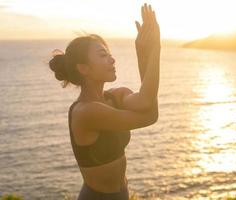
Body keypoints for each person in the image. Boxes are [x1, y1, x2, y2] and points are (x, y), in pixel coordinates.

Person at [48, 3, 160, 200]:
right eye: (102, 55)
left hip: (122, 193)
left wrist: (144, 53)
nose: (112, 60)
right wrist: (155, 50)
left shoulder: (115, 96)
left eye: (109, 54)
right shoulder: (86, 112)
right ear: (84, 68)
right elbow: (150, 115)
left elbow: (145, 102)